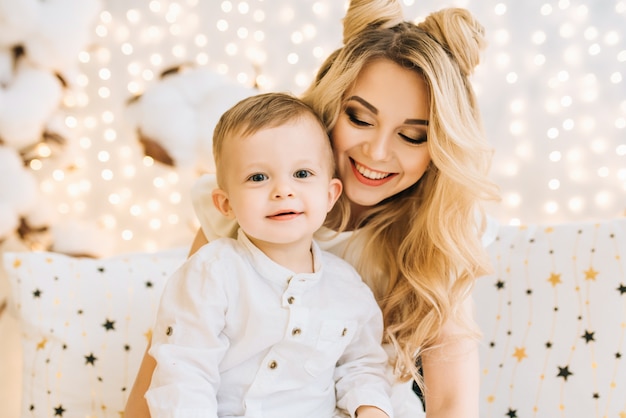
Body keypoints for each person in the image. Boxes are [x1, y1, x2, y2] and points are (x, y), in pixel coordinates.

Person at [126, 1, 500, 417]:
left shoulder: (437, 239)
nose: (377, 152)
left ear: (440, 149)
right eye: (359, 118)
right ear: (331, 104)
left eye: (412, 136)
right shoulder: (245, 213)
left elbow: (451, 403)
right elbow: (173, 361)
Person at [145, 92, 393, 418]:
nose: (283, 190)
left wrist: (371, 407)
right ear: (225, 204)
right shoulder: (212, 273)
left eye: (302, 174)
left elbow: (363, 364)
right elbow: (184, 373)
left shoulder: (348, 287)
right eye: (258, 177)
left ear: (330, 194)